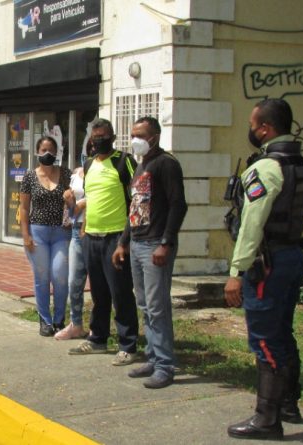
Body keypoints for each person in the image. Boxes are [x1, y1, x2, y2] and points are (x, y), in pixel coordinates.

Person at [224, 99, 303, 440]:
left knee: (264, 340)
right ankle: (288, 404)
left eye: (252, 124)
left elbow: (252, 224)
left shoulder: (266, 167)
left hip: (267, 264)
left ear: (265, 128)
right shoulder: (298, 162)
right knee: (283, 333)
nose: (250, 130)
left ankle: (266, 419)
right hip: (292, 256)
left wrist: (236, 272)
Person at [113, 116, 187, 389]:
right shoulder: (141, 166)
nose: (135, 140)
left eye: (141, 135)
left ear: (154, 137)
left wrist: (166, 243)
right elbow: (135, 208)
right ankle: (153, 358)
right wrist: (123, 242)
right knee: (145, 305)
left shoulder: (166, 164)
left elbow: (178, 205)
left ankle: (165, 366)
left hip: (155, 244)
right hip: (137, 243)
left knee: (157, 308)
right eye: (133, 134)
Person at [68, 118, 141, 367]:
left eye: (103, 137)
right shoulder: (89, 164)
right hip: (92, 237)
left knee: (121, 293)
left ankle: (128, 345)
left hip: (116, 237)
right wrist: (85, 227)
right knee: (98, 293)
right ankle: (98, 338)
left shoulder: (124, 161)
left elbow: (136, 201)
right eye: (95, 136)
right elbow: (92, 198)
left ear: (112, 137)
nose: (98, 141)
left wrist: (126, 240)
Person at [19, 136, 73, 336]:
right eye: (43, 150)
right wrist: (25, 235)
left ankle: (59, 319)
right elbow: (24, 208)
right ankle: (45, 320)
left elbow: (75, 201)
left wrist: (71, 199)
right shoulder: (29, 176)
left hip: (61, 233)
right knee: (41, 277)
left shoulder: (66, 173)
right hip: (38, 232)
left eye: (51, 149)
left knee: (59, 276)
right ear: (37, 152)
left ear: (57, 152)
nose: (47, 153)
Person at [55, 150, 89, 340]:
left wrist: (81, 204)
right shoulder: (76, 173)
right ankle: (76, 324)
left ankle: (99, 328)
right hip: (77, 230)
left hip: (95, 230)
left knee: (100, 285)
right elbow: (72, 209)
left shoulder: (105, 172)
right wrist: (70, 201)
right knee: (74, 281)